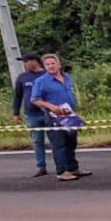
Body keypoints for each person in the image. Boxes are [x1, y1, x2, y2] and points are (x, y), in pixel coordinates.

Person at [29, 53, 85, 182]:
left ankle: (73, 168)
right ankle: (62, 171)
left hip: (69, 115)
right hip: (54, 117)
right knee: (59, 144)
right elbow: (35, 99)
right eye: (47, 64)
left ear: (59, 64)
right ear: (44, 67)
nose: (50, 66)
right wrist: (50, 106)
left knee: (71, 142)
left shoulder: (67, 77)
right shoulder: (41, 81)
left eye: (53, 63)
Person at [12, 53, 49, 177]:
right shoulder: (22, 77)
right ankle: (41, 166)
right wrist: (16, 113)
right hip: (31, 114)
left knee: (56, 141)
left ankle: (62, 165)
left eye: (26, 61)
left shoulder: (46, 75)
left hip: (48, 112)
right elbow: (17, 96)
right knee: (37, 141)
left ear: (35, 61)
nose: (25, 64)